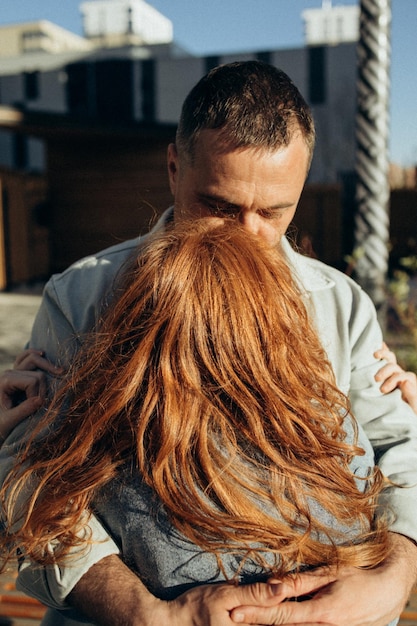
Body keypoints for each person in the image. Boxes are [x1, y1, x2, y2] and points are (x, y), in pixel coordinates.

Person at [1, 60, 417, 626]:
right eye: (219, 208)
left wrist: (392, 579)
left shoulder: (337, 303)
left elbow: (400, 447)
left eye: (273, 212)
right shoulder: (83, 296)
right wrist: (145, 612)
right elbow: (32, 476)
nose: (246, 236)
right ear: (175, 167)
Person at [1, 221, 391, 625]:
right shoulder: (342, 440)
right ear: (279, 324)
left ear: (141, 337)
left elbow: (36, 516)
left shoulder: (111, 471)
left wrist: (38, 416)